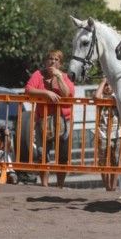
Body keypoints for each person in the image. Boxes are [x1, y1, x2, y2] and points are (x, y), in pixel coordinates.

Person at [25, 50, 75, 188]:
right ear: (45, 61)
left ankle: (60, 186)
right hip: (43, 120)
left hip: (63, 121)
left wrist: (58, 77)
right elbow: (28, 90)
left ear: (60, 63)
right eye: (50, 59)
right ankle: (44, 185)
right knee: (42, 154)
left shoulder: (64, 76)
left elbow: (68, 94)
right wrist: (46, 93)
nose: (52, 62)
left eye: (56, 59)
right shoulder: (38, 74)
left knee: (62, 156)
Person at [94, 77, 121, 191]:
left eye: (110, 85)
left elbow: (118, 99)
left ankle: (113, 185)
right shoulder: (100, 95)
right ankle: (107, 186)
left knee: (115, 159)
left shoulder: (117, 95)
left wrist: (112, 82)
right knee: (102, 160)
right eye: (106, 85)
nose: (108, 87)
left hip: (117, 132)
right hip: (102, 132)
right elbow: (96, 97)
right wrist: (103, 81)